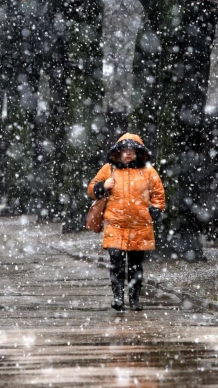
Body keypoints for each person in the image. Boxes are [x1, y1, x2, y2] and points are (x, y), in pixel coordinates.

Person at [88, 133, 165, 311]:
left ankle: (134, 298)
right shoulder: (109, 169)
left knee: (135, 265)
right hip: (115, 226)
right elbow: (92, 189)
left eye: (132, 150)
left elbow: (158, 194)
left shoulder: (148, 171)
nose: (128, 154)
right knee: (116, 263)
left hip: (140, 227)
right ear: (119, 152)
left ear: (138, 152)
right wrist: (102, 186)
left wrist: (154, 211)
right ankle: (118, 298)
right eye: (125, 150)